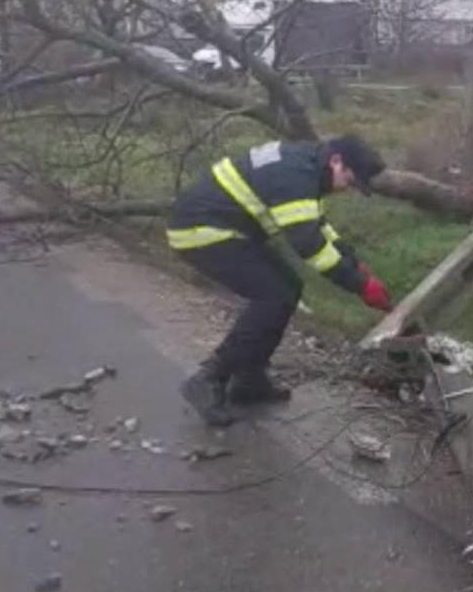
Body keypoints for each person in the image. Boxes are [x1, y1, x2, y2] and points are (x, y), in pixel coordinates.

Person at [165, 134, 393, 426]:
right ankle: (210, 377)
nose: (347, 190)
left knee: (288, 288)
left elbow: (318, 227)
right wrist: (361, 286)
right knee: (272, 295)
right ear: (337, 161)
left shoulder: (306, 165)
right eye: (349, 181)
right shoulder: (296, 176)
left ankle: (250, 379)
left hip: (223, 228)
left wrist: (354, 263)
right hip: (201, 232)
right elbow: (309, 245)